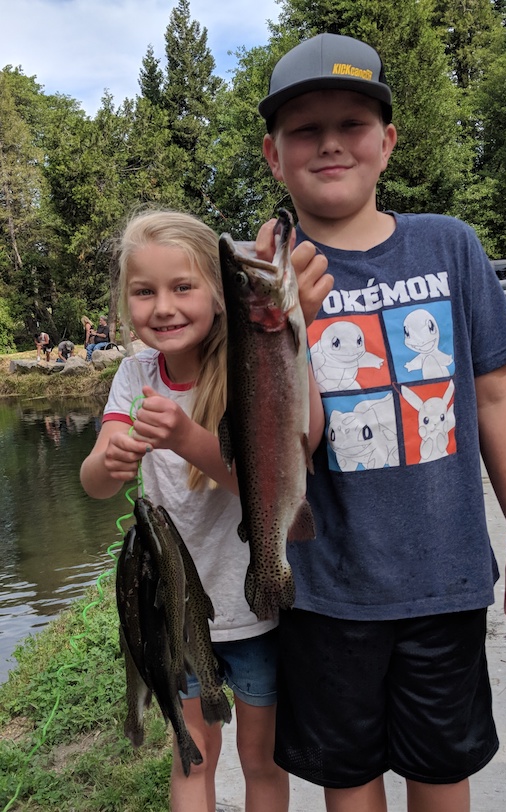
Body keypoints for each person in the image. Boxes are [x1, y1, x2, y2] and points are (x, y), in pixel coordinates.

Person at [257, 33, 506, 812]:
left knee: (440, 772)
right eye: (302, 129)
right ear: (272, 155)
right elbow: (280, 437)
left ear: (386, 142)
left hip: (444, 580)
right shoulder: (262, 275)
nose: (328, 142)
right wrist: (279, 325)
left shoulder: (449, 245)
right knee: (348, 781)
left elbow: (494, 396)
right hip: (325, 591)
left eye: (351, 122)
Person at [80, 209, 324, 812]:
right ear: (125, 302)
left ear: (219, 296)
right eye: (144, 291)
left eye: (182, 287)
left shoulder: (250, 367)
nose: (163, 307)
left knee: (260, 761)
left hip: (254, 609)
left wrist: (188, 437)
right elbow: (94, 482)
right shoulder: (134, 375)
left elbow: (268, 479)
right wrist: (106, 465)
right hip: (180, 614)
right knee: (193, 752)